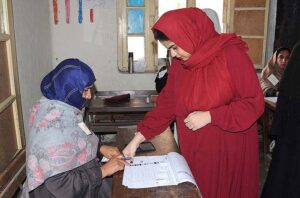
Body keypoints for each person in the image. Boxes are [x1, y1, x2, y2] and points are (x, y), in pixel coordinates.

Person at [123, 8, 264, 198]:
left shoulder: (231, 55)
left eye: (175, 47)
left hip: (227, 150)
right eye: (169, 49)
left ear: (189, 35)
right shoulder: (182, 65)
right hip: (194, 150)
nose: (173, 55)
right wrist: (136, 140)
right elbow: (167, 105)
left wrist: (211, 116)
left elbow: (253, 103)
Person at [21, 59, 126, 198]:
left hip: (79, 178)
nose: (89, 96)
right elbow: (60, 185)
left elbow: (78, 138)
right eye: (86, 90)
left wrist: (99, 149)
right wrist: (103, 171)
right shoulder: (52, 129)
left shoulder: (62, 108)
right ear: (69, 89)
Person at [261, 41, 300, 198]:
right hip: (292, 123)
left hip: (288, 125)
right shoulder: (270, 74)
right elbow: (265, 85)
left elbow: (284, 95)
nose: (284, 61)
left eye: (287, 58)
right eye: (281, 58)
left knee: (283, 171)